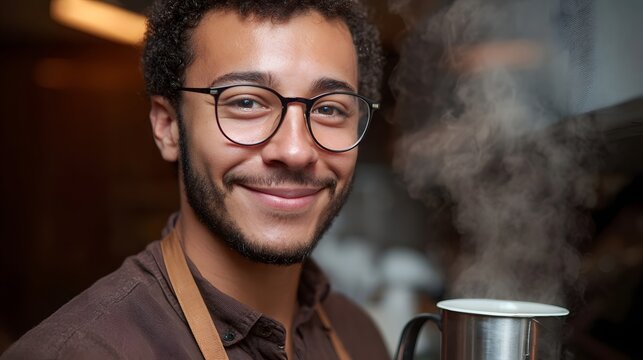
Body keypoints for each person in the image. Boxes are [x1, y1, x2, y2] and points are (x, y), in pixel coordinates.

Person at [2, 0, 387, 359]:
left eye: (330, 108)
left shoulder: (359, 335)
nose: (295, 151)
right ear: (168, 126)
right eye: (247, 102)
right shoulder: (81, 351)